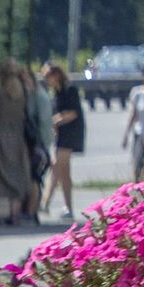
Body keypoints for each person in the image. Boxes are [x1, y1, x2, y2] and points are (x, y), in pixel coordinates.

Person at [42, 63, 84, 222]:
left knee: (57, 167)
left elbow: (72, 113)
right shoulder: (57, 93)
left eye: (48, 76)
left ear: (56, 75)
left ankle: (45, 201)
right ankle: (69, 208)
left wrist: (54, 121)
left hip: (71, 134)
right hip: (62, 135)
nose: (47, 80)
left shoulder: (69, 90)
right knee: (64, 173)